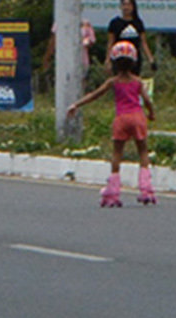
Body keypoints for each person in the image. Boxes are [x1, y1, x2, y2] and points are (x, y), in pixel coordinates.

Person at [66, 39, 157, 206]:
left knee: (117, 154)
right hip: (137, 117)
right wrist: (151, 114)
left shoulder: (113, 82)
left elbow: (95, 94)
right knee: (143, 151)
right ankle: (146, 188)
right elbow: (147, 100)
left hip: (121, 118)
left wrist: (76, 104)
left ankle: (113, 191)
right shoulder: (137, 82)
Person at [105, 0, 156, 77]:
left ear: (133, 7)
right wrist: (108, 60)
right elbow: (110, 43)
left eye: (128, 5)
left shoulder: (138, 23)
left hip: (134, 59)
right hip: (119, 59)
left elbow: (143, 43)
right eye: (124, 5)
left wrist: (150, 59)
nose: (126, 7)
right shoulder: (115, 23)